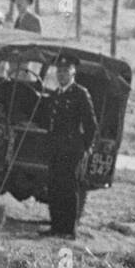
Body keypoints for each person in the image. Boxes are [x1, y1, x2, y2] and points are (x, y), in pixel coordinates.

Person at [41, 54, 97, 240]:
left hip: (72, 150)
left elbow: (91, 125)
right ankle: (56, 226)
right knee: (54, 187)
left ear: (73, 73)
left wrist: (85, 148)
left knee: (68, 189)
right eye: (59, 71)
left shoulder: (80, 94)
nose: (62, 74)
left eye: (66, 71)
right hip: (56, 149)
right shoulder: (56, 95)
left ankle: (69, 230)